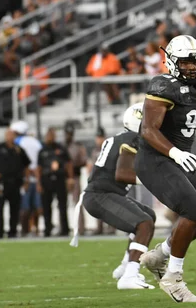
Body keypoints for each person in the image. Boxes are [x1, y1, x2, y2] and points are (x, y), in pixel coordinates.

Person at [136, 35, 196, 303]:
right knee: (193, 210)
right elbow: (148, 129)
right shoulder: (161, 86)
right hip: (155, 158)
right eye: (186, 62)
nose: (192, 67)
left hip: (179, 158)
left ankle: (160, 255)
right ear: (171, 61)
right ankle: (173, 277)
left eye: (195, 62)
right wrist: (175, 152)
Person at [73, 103, 156, 290]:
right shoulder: (132, 139)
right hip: (101, 195)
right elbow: (122, 175)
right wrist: (153, 180)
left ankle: (126, 265)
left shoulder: (122, 137)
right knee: (144, 223)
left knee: (148, 215)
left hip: (104, 193)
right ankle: (130, 275)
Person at [0, 129, 31, 238]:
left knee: (14, 210)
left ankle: (13, 232)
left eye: (12, 135)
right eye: (8, 135)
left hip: (15, 183)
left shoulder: (19, 149)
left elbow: (26, 165)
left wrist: (26, 180)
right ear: (5, 136)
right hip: (0, 183)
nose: (10, 137)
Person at [38, 127, 74, 237]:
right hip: (46, 179)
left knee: (62, 205)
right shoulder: (42, 150)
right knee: (46, 206)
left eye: (52, 135)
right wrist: (39, 183)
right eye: (49, 135)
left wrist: (70, 178)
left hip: (60, 179)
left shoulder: (61, 148)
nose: (50, 137)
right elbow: (39, 167)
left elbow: (68, 164)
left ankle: (65, 229)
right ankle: (47, 229)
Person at [10, 121, 43, 237]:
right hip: (37, 176)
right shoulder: (37, 142)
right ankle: (36, 229)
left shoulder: (17, 143)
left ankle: (25, 230)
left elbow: (22, 163)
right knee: (36, 207)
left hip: (25, 178)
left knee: (25, 207)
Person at [64, 122, 88, 236]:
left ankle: (80, 228)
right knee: (63, 203)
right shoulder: (62, 146)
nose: (68, 135)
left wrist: (73, 165)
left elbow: (83, 161)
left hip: (75, 176)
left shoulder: (78, 146)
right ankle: (64, 227)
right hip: (63, 177)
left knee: (77, 202)